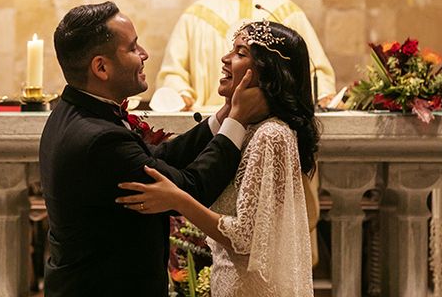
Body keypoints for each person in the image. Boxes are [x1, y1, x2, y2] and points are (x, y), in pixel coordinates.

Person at [39, 1, 267, 297]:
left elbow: (154, 160)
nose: (144, 54)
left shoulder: (75, 112)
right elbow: (191, 188)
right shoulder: (100, 140)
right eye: (133, 48)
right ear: (101, 67)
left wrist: (221, 117)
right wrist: (238, 119)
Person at [118, 21, 319, 296]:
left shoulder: (270, 134)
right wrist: (229, 112)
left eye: (240, 52)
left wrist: (177, 198)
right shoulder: (250, 127)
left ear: (267, 71)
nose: (225, 59)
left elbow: (244, 237)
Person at [156, 0, 335, 112]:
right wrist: (180, 94)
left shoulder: (285, 11)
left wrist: (322, 94)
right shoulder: (194, 15)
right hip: (209, 115)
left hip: (273, 115)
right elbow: (173, 72)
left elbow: (313, 67)